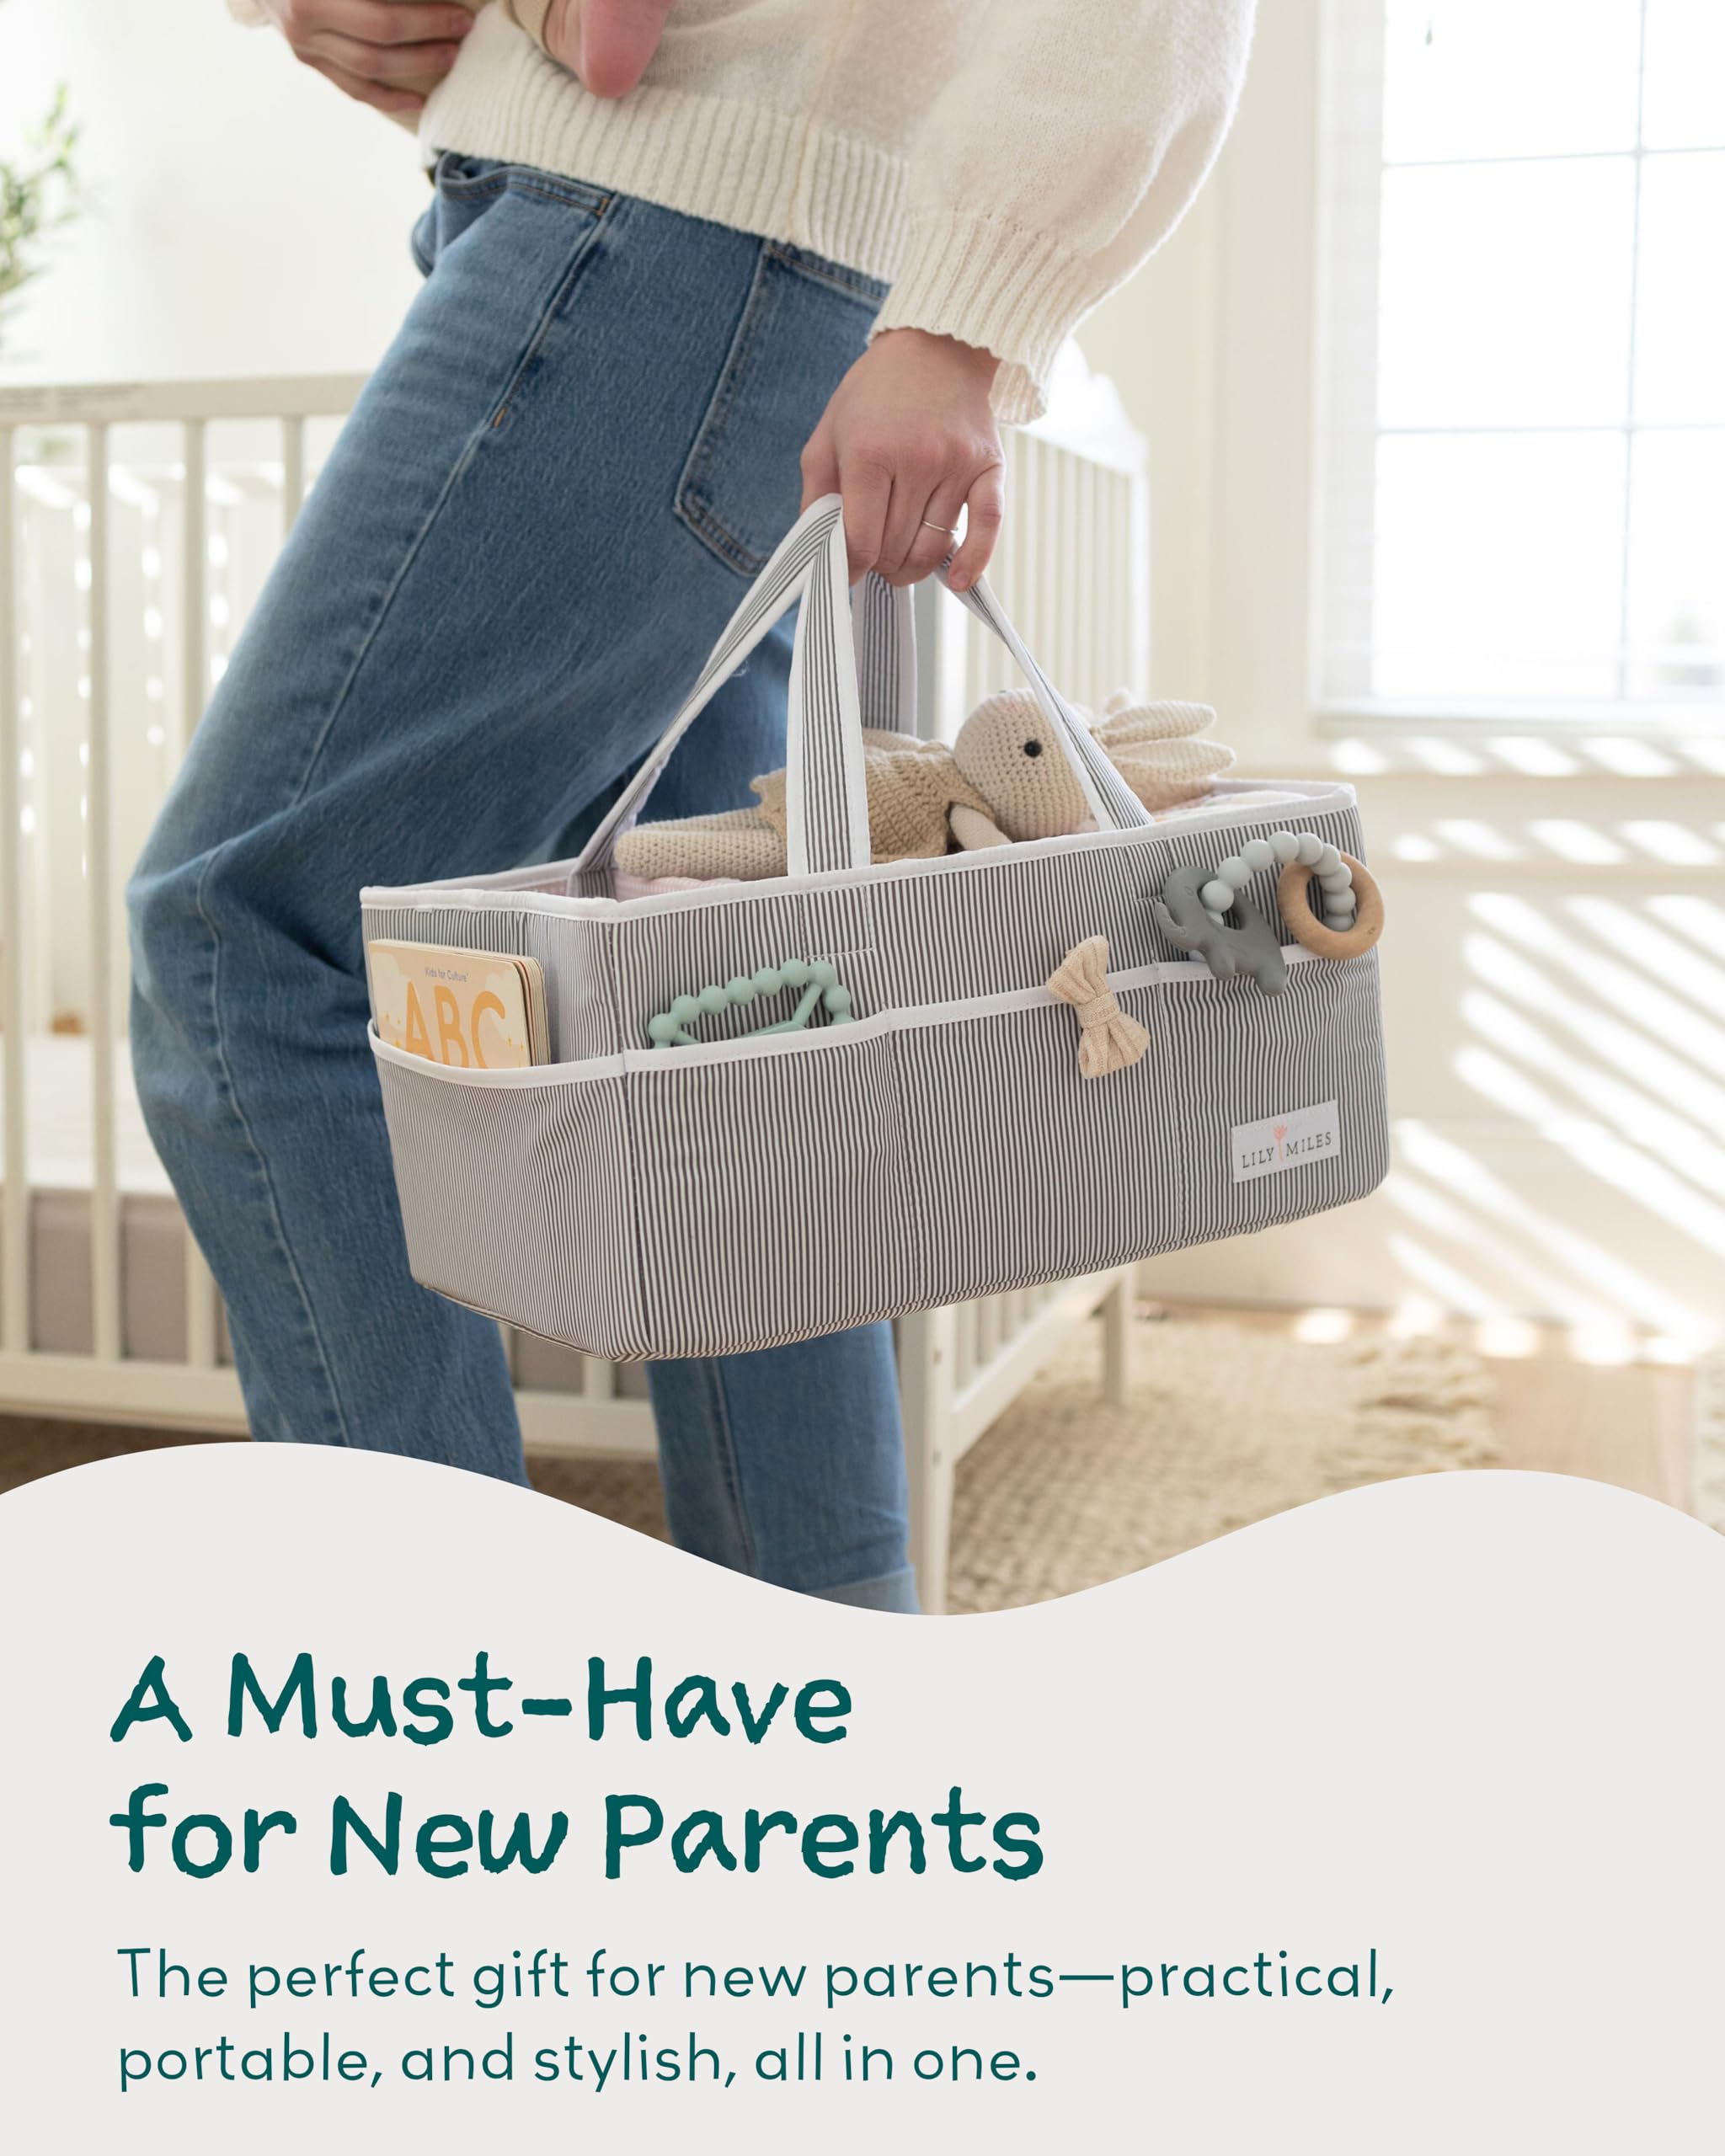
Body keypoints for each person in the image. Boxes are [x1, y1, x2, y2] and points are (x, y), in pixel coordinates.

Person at [131, 0, 1255, 1613]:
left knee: (250, 936)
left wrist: (970, 318)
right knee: (730, 1015)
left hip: (685, 234)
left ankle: (438, 1698)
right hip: (660, 222)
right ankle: (833, 1687)